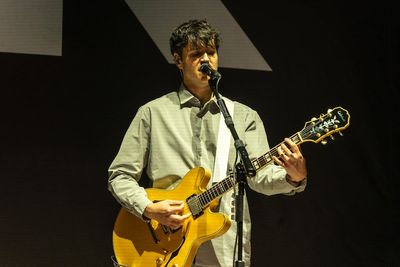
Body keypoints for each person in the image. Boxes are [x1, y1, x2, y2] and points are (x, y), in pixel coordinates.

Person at [108, 19, 307, 267]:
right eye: (196, 54)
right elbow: (120, 176)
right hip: (165, 243)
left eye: (211, 53)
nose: (206, 60)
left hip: (223, 245)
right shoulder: (152, 113)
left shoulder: (243, 117)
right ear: (178, 61)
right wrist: (149, 208)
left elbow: (259, 177)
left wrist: (293, 178)